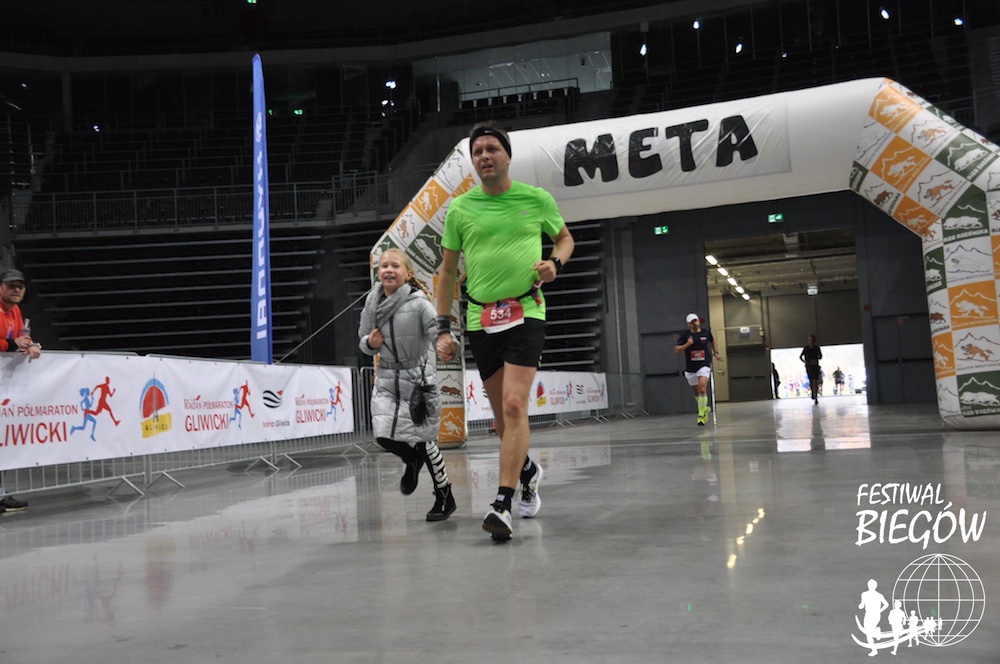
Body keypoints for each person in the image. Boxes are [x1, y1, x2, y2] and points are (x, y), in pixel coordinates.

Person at [436, 121, 575, 541]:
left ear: (507, 156)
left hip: (526, 310)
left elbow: (565, 239)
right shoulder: (461, 209)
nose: (484, 156)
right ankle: (527, 470)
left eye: (492, 148)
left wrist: (555, 263)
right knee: (502, 421)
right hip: (482, 319)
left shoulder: (535, 198)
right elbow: (447, 272)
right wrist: (443, 328)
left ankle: (502, 503)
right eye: (477, 151)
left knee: (515, 406)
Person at [361, 248, 455, 522]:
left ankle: (445, 496)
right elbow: (363, 339)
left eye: (395, 266)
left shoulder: (420, 303)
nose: (388, 270)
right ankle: (412, 459)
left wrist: (447, 345)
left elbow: (437, 333)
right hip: (386, 378)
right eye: (384, 266)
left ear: (408, 274)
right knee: (382, 435)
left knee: (425, 441)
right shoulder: (371, 302)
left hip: (418, 379)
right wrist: (370, 344)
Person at [0, 268, 40, 513]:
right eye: (11, 286)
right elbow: (9, 341)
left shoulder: (15, 311)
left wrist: (32, 345)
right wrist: (10, 344)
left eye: (20, 286)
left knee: (3, 441)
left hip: (5, 387)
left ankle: (1, 494)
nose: (16, 290)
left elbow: (21, 337)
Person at [674, 313, 721, 426]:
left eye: (696, 320)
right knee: (697, 392)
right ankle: (704, 408)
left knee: (702, 388)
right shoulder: (685, 335)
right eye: (692, 322)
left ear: (699, 321)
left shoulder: (705, 332)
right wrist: (687, 344)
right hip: (691, 368)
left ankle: (701, 415)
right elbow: (677, 350)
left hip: (704, 365)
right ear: (689, 324)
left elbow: (713, 340)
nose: (695, 323)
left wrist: (716, 352)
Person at [800, 335, 823, 404]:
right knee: (811, 381)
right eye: (810, 340)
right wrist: (805, 361)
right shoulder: (806, 348)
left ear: (814, 341)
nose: (811, 341)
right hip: (809, 367)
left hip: (815, 366)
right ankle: (813, 392)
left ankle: (815, 396)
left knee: (815, 381)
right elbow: (800, 356)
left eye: (812, 340)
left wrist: (816, 358)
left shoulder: (817, 348)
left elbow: (820, 356)